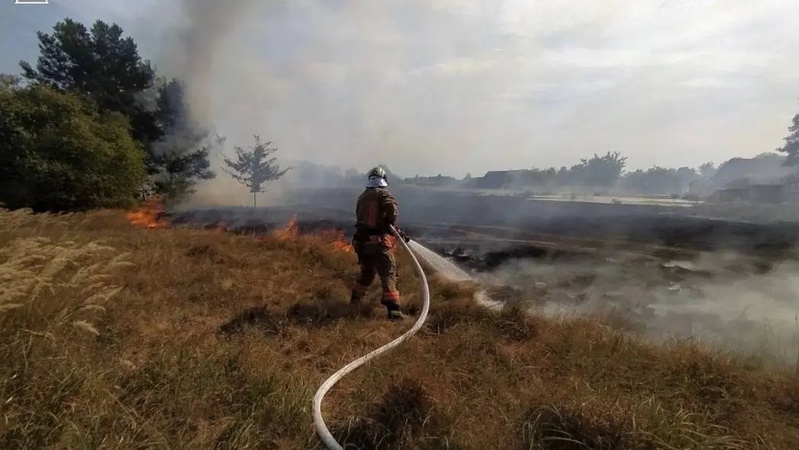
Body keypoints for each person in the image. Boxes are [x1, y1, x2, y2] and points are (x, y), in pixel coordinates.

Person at [349, 166, 409, 320]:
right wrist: (388, 222)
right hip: (378, 244)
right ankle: (394, 311)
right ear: (384, 180)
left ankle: (354, 302)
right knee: (389, 273)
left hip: (362, 244)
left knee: (367, 274)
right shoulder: (382, 194)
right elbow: (391, 210)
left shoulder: (362, 196)